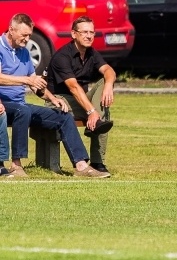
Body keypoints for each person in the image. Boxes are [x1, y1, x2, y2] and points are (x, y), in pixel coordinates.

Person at [0, 13, 109, 178]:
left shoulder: (23, 52)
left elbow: (36, 85)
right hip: (4, 105)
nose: (27, 39)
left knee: (63, 115)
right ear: (11, 30)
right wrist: (26, 80)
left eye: (29, 35)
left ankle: (81, 166)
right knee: (24, 111)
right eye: (24, 35)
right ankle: (16, 165)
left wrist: (52, 98)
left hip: (20, 106)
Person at [43, 15, 117, 174]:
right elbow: (73, 87)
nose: (89, 36)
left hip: (80, 100)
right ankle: (96, 159)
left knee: (104, 84)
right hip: (59, 100)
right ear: (73, 34)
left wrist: (109, 84)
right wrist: (91, 111)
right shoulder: (62, 56)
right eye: (84, 32)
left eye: (92, 32)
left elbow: (108, 70)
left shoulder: (92, 53)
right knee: (100, 113)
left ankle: (98, 161)